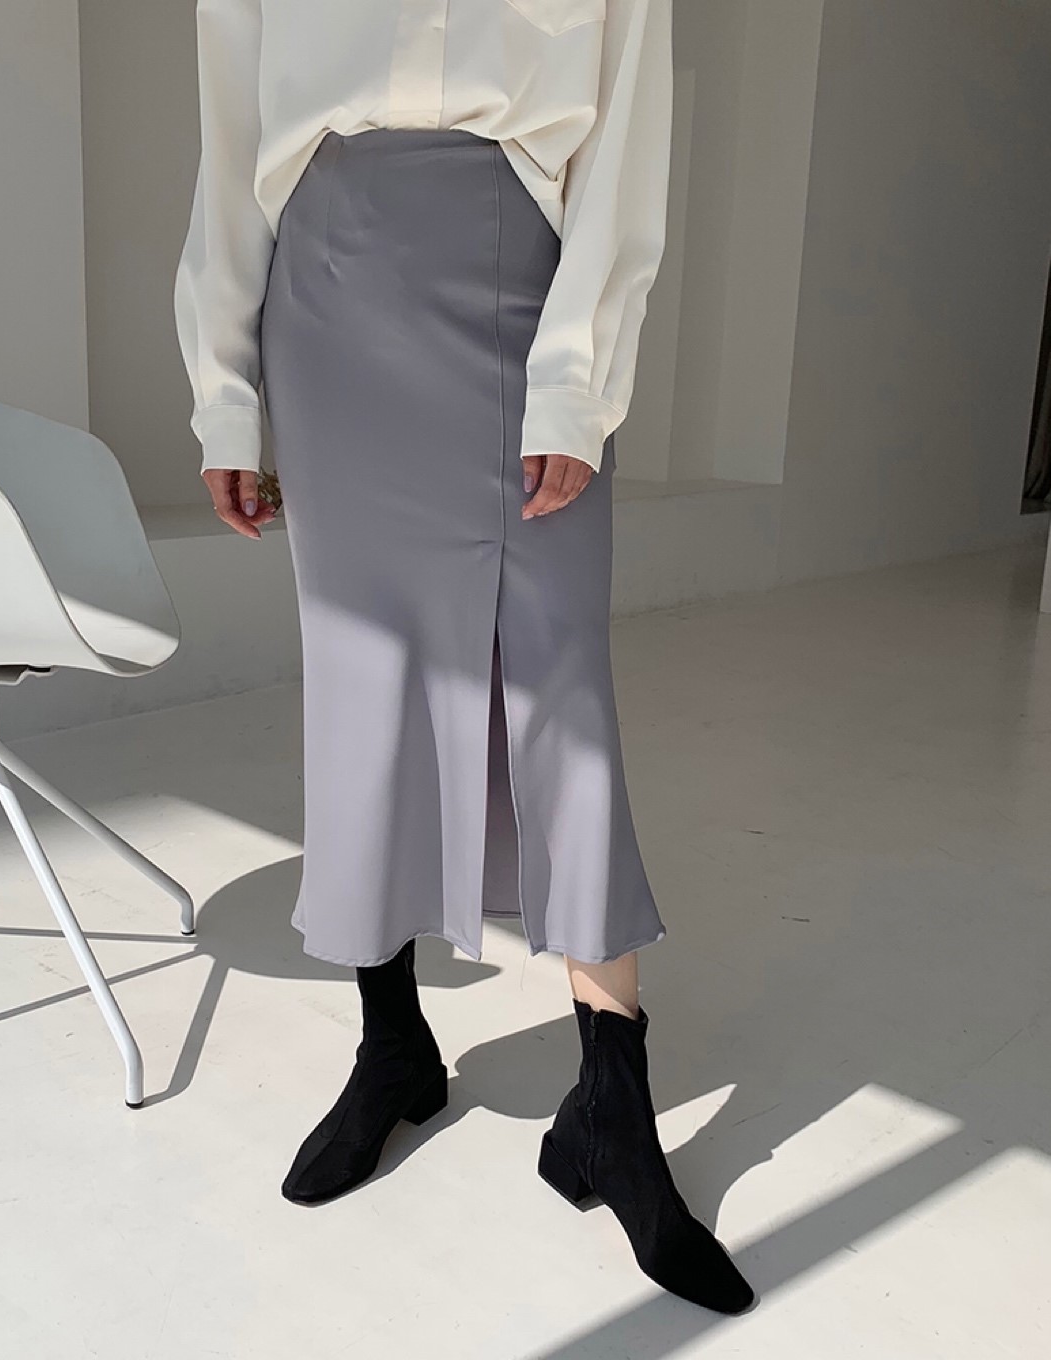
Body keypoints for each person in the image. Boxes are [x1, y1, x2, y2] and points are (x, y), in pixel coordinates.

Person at [175, 0, 753, 1315]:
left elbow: (625, 136)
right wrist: (226, 394)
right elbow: (230, 138)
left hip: (519, 296)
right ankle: (393, 1047)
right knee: (362, 692)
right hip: (324, 302)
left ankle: (612, 1108)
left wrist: (577, 383)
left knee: (562, 699)